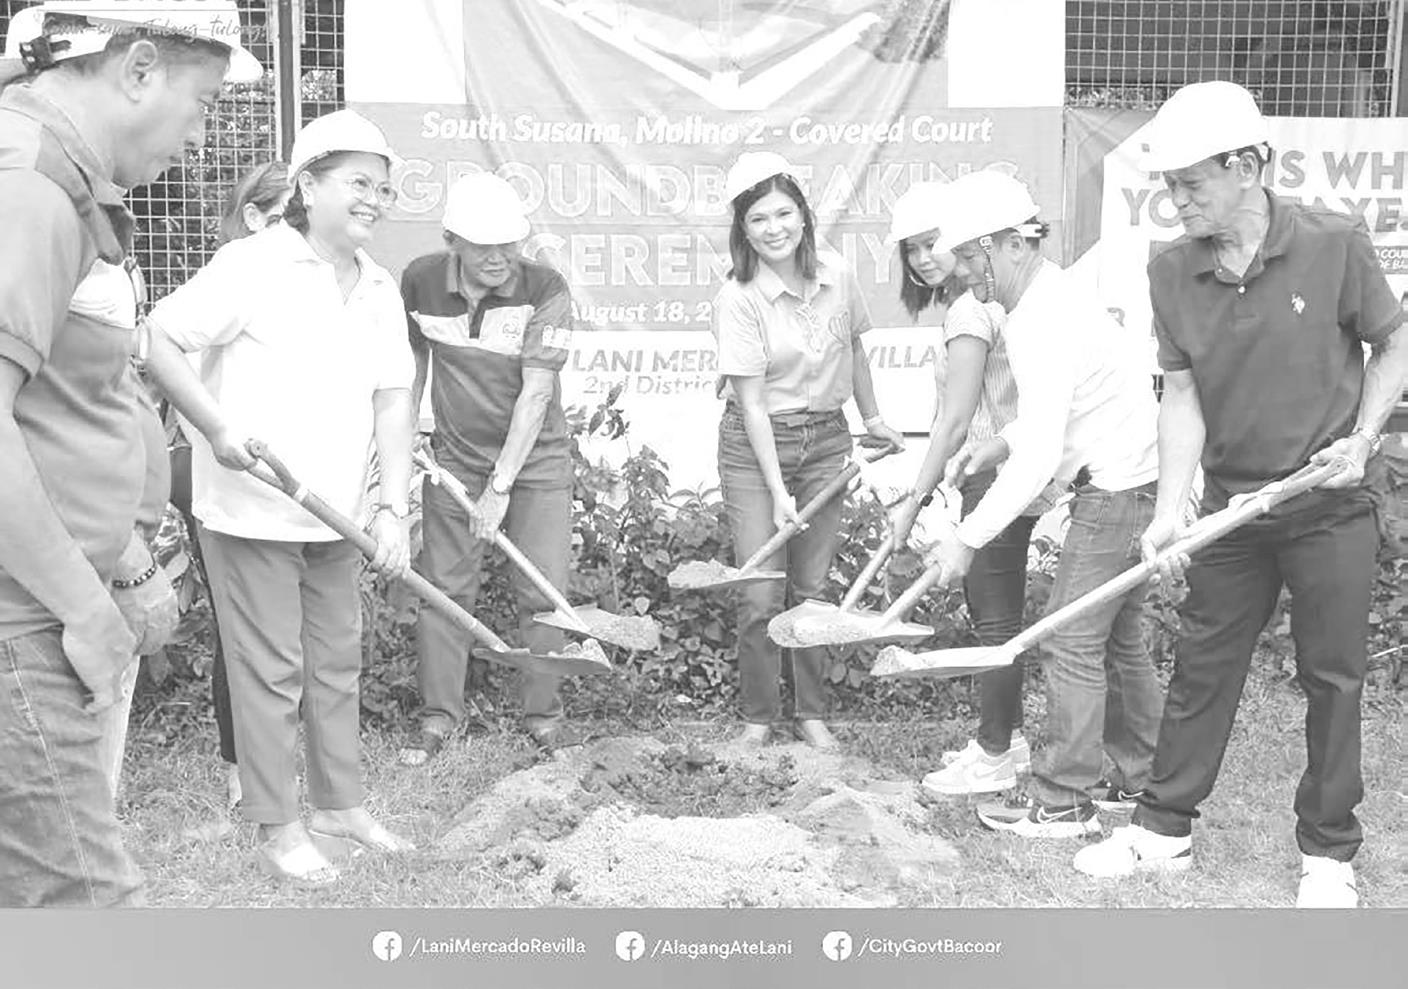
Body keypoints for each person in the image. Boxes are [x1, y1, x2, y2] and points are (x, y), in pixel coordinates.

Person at [1073, 81, 1408, 908]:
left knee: (1331, 676)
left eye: (1191, 184)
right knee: (1201, 664)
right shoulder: (1170, 270)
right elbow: (1180, 395)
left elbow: (1393, 342)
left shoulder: (1332, 243)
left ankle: (1328, 853)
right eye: (1169, 185)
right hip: (1233, 508)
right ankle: (1163, 829)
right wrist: (1168, 512)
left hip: (1328, 504)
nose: (1176, 200)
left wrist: (1362, 437)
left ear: (1249, 166)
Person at [0, 0, 260, 907]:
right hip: (22, 617)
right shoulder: (28, 183)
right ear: (138, 67)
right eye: (204, 103)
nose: (199, 137)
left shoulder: (50, 176)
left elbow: (60, 409)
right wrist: (82, 606)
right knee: (82, 907)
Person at [144, 109, 418, 887]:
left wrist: (392, 507)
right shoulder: (253, 263)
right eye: (359, 182)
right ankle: (279, 822)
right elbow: (159, 338)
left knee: (337, 664)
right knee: (268, 672)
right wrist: (217, 427)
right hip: (252, 509)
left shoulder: (377, 286)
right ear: (308, 185)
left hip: (338, 516)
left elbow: (394, 397)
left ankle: (340, 805)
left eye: (384, 186)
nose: (376, 198)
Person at [922, 169, 1164, 838]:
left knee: (1068, 636)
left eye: (972, 257)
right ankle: (1140, 777)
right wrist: (1000, 440)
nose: (966, 273)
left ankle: (1063, 799)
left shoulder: (1037, 319)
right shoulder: (1052, 301)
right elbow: (1059, 413)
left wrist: (968, 536)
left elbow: (1041, 461)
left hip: (1117, 489)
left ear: (1012, 244)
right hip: (1136, 478)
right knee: (1118, 638)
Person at [712, 151, 903, 749]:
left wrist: (872, 419)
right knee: (761, 589)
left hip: (827, 441)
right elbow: (751, 405)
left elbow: (856, 349)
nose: (774, 229)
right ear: (742, 230)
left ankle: (812, 713)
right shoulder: (738, 298)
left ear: (803, 214)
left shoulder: (837, 272)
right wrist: (775, 494)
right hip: (755, 448)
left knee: (813, 590)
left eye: (783, 213)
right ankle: (759, 718)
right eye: (758, 219)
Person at [400, 171, 579, 763]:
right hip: (454, 459)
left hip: (535, 465)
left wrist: (501, 484)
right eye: (485, 245)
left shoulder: (545, 285)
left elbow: (535, 394)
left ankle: (545, 720)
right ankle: (438, 719)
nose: (501, 257)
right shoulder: (420, 282)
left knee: (542, 592)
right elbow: (412, 369)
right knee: (445, 592)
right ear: (453, 239)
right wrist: (405, 442)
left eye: (510, 243)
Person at [885, 180, 1056, 795]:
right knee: (996, 612)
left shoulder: (968, 311)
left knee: (995, 622)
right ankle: (1003, 742)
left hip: (997, 473)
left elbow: (955, 421)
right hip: (1001, 466)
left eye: (934, 243)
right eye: (912, 249)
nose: (924, 258)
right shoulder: (984, 302)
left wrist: (916, 497)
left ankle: (993, 752)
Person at [166, 159, 290, 811]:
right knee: (240, 629)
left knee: (283, 627)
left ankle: (275, 760)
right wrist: (222, 439)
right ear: (254, 219)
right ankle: (242, 770)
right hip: (220, 477)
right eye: (287, 220)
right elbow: (170, 367)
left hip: (287, 485)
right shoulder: (226, 279)